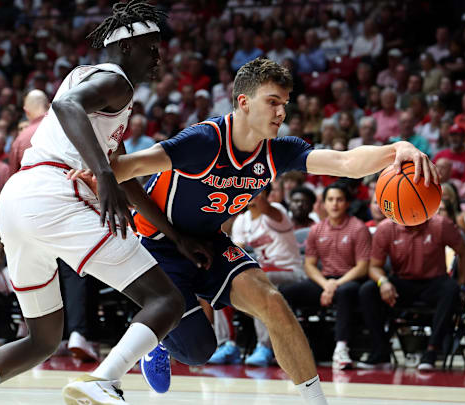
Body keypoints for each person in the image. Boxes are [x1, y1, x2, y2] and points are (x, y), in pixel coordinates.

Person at [0, 3, 209, 404]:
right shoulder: (116, 80)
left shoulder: (84, 79)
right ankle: (101, 379)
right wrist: (102, 176)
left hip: (19, 199)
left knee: (42, 339)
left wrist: (173, 235)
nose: (158, 56)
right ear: (126, 47)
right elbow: (67, 111)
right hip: (53, 194)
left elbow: (121, 170)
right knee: (166, 300)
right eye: (150, 47)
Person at [98, 57, 436, 404]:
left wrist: (400, 148)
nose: (281, 113)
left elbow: (346, 163)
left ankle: (317, 401)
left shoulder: (277, 152)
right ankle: (156, 340)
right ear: (244, 103)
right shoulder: (204, 141)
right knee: (200, 350)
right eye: (272, 102)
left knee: (273, 302)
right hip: (159, 244)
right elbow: (130, 167)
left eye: (284, 104)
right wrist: (91, 172)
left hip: (209, 242)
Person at [359, 214, 465, 370]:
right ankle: (380, 350)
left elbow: (464, 251)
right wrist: (383, 282)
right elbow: (374, 266)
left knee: (451, 289)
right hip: (402, 283)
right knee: (368, 290)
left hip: (434, 282)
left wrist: (462, 283)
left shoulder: (440, 224)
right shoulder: (386, 228)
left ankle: (432, 350)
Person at [280, 182, 371, 370]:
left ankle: (341, 349)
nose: (334, 204)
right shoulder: (317, 229)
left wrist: (334, 285)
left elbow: (362, 267)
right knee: (284, 293)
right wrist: (326, 284)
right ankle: (291, 346)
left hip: (350, 279)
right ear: (323, 204)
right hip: (324, 280)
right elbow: (310, 265)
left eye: (339, 200)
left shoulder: (358, 228)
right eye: (330, 200)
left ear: (347, 203)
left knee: (346, 293)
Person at [230, 186, 306, 366]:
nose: (250, 195)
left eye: (256, 192)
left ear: (265, 194)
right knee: (223, 280)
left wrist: (258, 185)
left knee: (258, 282)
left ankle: (264, 346)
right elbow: (235, 251)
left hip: (290, 271)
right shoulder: (242, 220)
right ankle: (227, 344)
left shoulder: (277, 210)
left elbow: (266, 208)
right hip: (265, 272)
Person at [8, 89, 49, 174]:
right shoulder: (65, 127)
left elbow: (13, 178)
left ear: (26, 111)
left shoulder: (20, 139)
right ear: (49, 106)